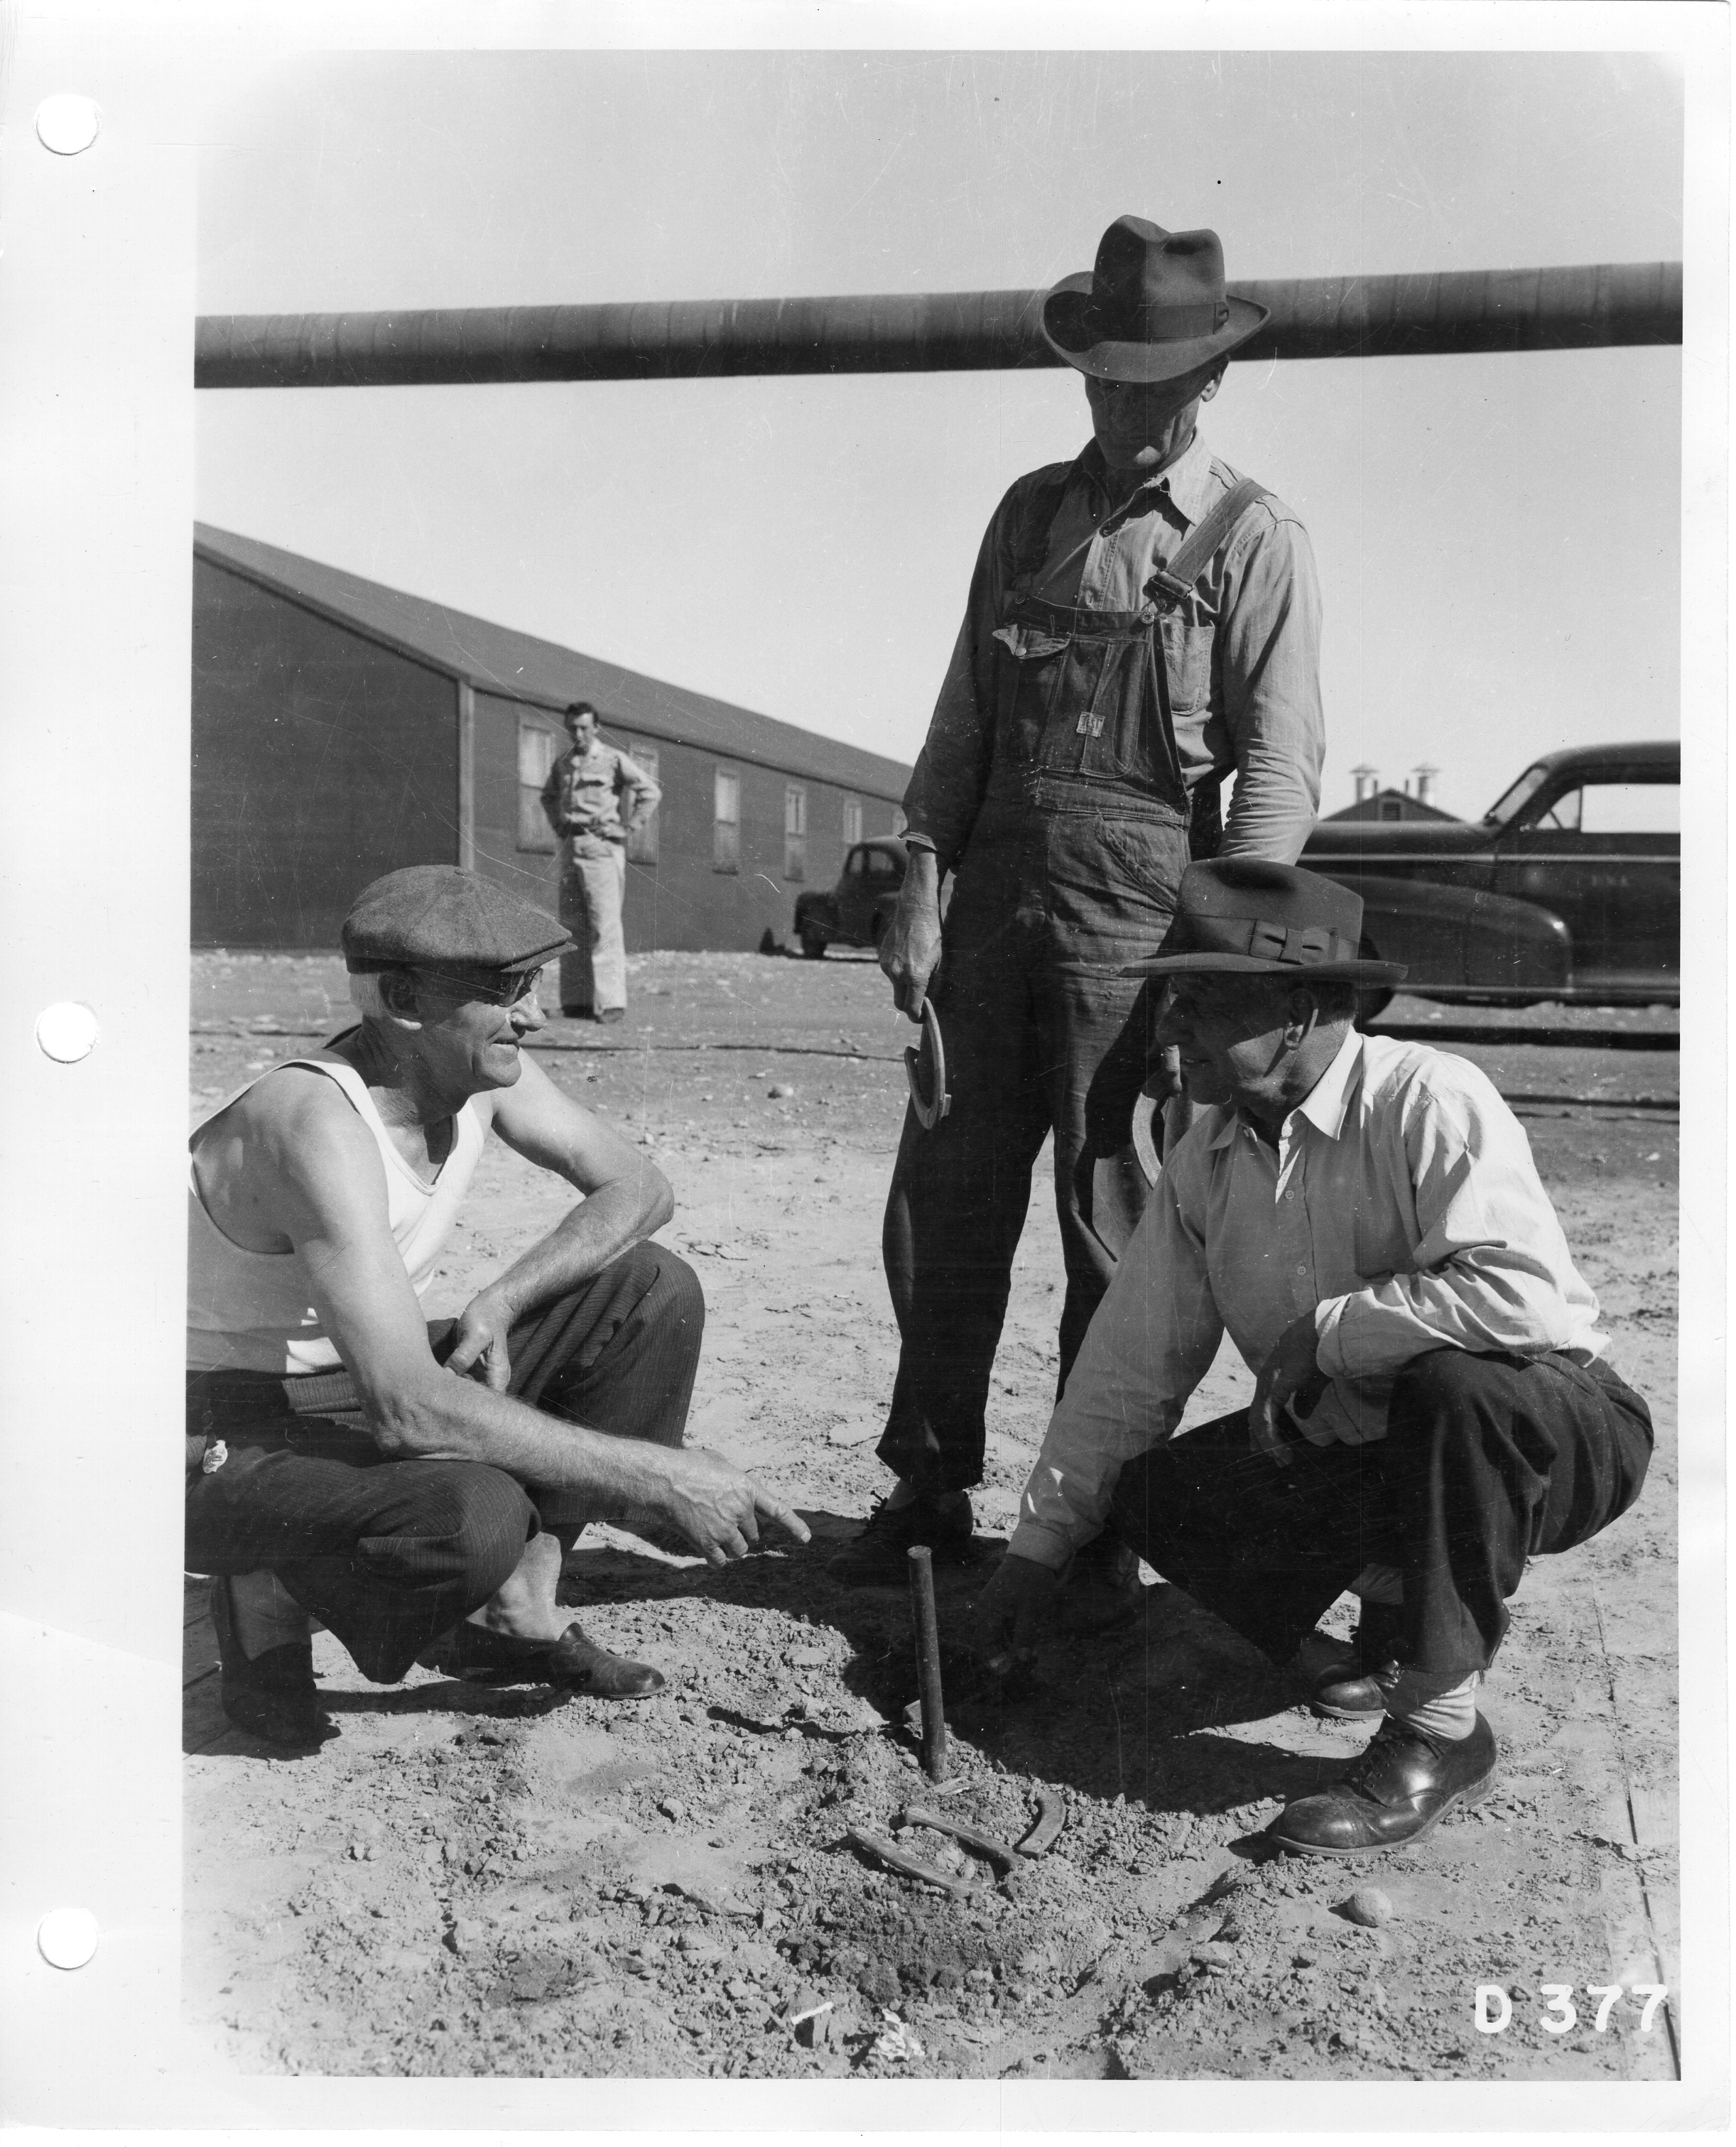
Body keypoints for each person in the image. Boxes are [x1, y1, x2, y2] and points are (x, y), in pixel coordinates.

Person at [972, 859, 1654, 1856]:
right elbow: (1128, 1365)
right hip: (1385, 1443)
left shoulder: (1428, 1096)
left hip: (1557, 1433)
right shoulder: (1206, 1147)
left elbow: (1528, 1302)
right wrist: (1036, 1551)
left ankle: (1439, 1728)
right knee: (1154, 1494)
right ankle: (1396, 1612)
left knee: (1455, 1387)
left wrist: (1331, 1329)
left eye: (1197, 999)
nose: (1167, 1027)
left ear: (1300, 1010)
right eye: (1169, 997)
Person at [837, 215, 1325, 1585]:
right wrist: (917, 889)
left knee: (1113, 1228)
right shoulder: (1025, 514)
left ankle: (1084, 1527)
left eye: (1151, 384)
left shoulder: (1251, 537)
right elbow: (956, 730)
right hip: (987, 912)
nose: (1124, 408)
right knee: (939, 1211)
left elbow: (1279, 775)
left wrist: (1218, 965)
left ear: (1208, 380)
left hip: (1142, 928)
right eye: (1102, 380)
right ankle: (926, 1488)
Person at [186, 864, 808, 1748]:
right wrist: (655, 1473)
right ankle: (269, 1598)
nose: (534, 1014)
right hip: (219, 1426)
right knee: (469, 1517)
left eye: (531, 986)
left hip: (346, 1380)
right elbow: (406, 1409)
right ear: (402, 997)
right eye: (505, 990)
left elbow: (637, 1186)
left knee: (648, 1290)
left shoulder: (473, 1066)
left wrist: (505, 1297)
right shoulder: (312, 1119)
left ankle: (520, 1608)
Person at [539, 700, 662, 1023]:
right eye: (572, 728)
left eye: (584, 727)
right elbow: (548, 797)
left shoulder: (612, 759)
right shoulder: (564, 763)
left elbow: (650, 792)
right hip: (571, 846)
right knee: (572, 926)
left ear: (596, 727)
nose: (577, 733)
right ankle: (576, 1003)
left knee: (604, 926)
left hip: (601, 848)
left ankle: (611, 1005)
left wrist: (628, 827)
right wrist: (557, 823)